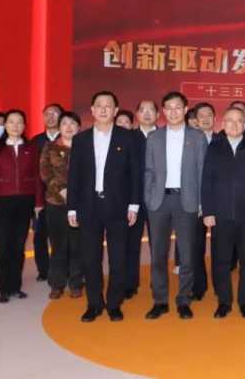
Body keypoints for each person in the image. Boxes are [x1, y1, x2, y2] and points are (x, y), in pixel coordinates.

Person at [67, 91, 142, 322]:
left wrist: (134, 205)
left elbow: (135, 174)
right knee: (90, 258)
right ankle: (94, 303)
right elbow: (74, 176)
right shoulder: (80, 140)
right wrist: (72, 207)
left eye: (108, 105)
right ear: (91, 110)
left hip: (118, 206)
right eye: (98, 105)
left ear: (115, 110)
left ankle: (114, 303)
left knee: (118, 258)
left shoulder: (128, 138)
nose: (103, 109)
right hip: (88, 206)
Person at [144, 91, 208, 320]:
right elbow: (148, 171)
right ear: (163, 111)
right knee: (158, 255)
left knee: (187, 255)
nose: (173, 112)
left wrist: (202, 202)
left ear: (185, 109)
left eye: (177, 107)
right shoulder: (154, 137)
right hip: (159, 201)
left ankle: (184, 299)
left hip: (187, 200)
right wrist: (149, 198)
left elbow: (202, 172)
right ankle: (160, 300)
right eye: (168, 108)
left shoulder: (197, 137)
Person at [201, 107, 245, 318]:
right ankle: (224, 302)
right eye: (230, 120)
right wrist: (208, 211)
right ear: (223, 124)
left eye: (239, 121)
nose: (234, 124)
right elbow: (206, 182)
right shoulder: (214, 148)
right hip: (220, 216)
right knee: (221, 261)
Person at [0, 109, 43, 303]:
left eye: (19, 122)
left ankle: (15, 286)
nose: (15, 126)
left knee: (18, 245)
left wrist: (38, 203)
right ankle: (3, 288)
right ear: (5, 126)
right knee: (3, 245)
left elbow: (37, 176)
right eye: (11, 122)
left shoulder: (31, 147)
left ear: (24, 126)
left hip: (25, 201)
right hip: (2, 201)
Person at [40, 111, 84, 300]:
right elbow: (45, 172)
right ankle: (57, 284)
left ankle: (76, 283)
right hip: (56, 202)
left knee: (77, 244)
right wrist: (62, 190)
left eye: (73, 123)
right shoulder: (49, 147)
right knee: (58, 245)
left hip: (81, 203)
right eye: (64, 123)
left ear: (79, 127)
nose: (68, 127)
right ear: (59, 127)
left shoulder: (86, 147)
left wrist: (76, 193)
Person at [125, 99, 158, 299]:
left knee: (159, 244)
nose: (146, 113)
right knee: (131, 243)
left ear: (158, 114)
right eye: (142, 110)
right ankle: (130, 283)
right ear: (137, 114)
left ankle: (158, 281)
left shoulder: (165, 136)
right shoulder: (127, 137)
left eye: (151, 110)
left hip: (159, 198)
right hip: (133, 199)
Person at [31, 103, 64, 283]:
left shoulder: (68, 138)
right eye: (47, 114)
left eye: (54, 114)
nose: (50, 117)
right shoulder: (35, 141)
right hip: (40, 195)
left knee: (61, 235)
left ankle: (63, 268)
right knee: (39, 235)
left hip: (63, 196)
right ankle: (43, 270)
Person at [192, 101, 217, 300]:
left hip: (220, 203)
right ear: (196, 120)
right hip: (194, 203)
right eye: (201, 116)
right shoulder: (189, 142)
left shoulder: (224, 139)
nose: (206, 119)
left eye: (209, 115)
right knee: (196, 246)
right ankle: (198, 286)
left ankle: (220, 287)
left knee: (220, 248)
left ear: (215, 118)